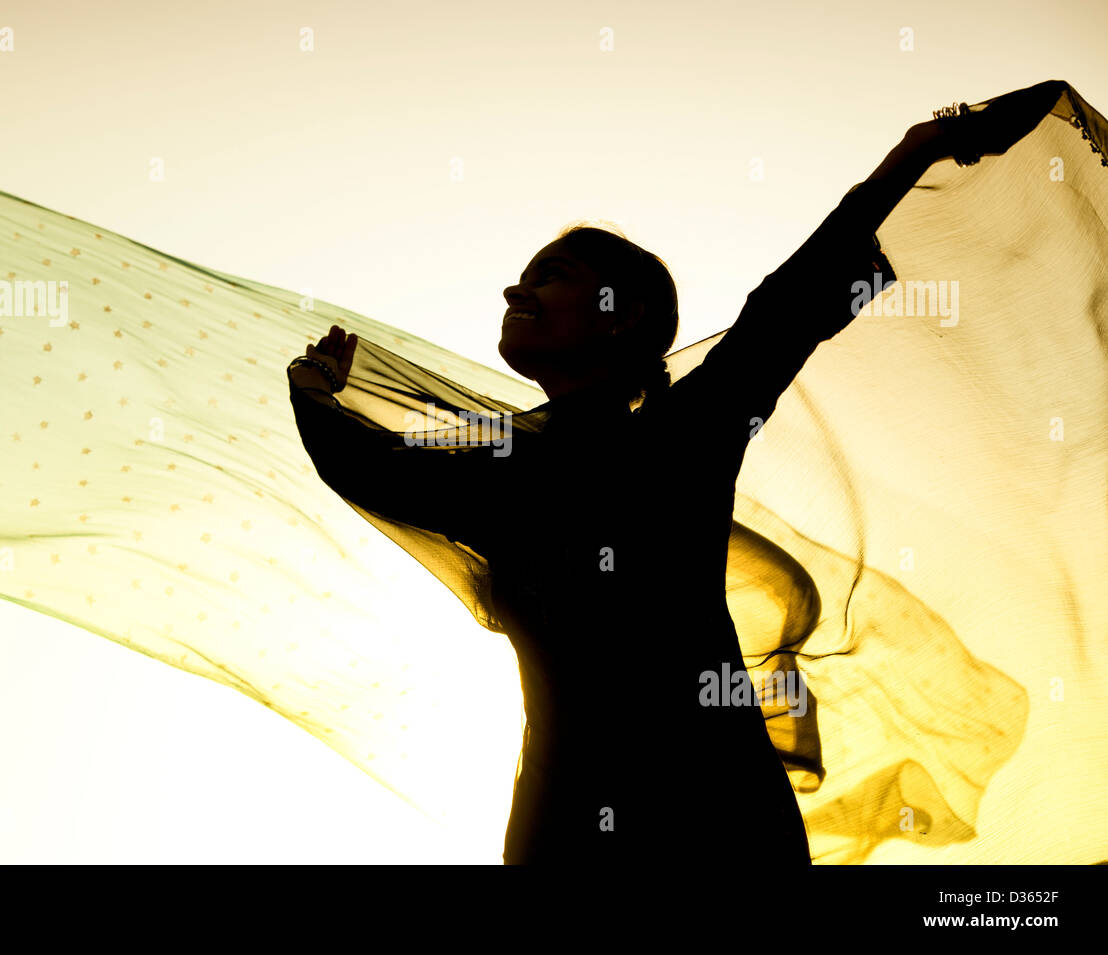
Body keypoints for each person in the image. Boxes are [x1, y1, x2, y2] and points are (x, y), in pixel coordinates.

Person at [287, 81, 1067, 865]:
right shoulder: (499, 471)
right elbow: (365, 465)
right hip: (562, 824)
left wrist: (913, 153)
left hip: (711, 813)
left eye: (549, 274)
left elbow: (788, 304)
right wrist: (312, 391)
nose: (514, 288)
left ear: (617, 315)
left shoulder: (683, 434)